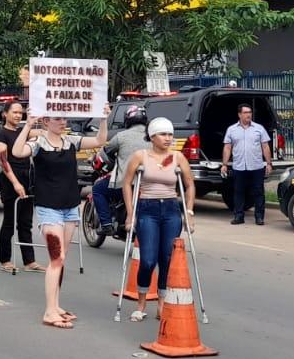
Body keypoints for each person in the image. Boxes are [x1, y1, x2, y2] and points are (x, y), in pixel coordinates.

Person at [10, 104, 110, 328]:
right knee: (56, 258)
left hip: (70, 206)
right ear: (46, 122)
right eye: (58, 119)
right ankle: (49, 311)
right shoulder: (38, 144)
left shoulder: (71, 141)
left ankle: (56, 305)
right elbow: (17, 152)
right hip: (48, 207)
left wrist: (103, 118)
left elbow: (99, 141)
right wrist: (27, 125)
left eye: (65, 118)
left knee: (62, 258)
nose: (63, 122)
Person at [121, 117, 196, 322]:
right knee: (147, 260)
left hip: (171, 210)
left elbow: (189, 185)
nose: (168, 138)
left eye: (170, 134)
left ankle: (162, 304)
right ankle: (141, 304)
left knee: (167, 259)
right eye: (163, 134)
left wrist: (188, 213)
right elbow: (127, 183)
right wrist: (130, 213)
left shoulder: (178, 157)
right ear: (152, 136)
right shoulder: (140, 156)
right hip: (147, 209)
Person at [0, 101, 42, 274]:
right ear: (5, 114)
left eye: (20, 112)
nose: (18, 115)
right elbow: (3, 161)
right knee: (9, 222)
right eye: (14, 112)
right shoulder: (1, 134)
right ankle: (5, 259)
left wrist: (42, 117)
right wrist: (15, 183)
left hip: (27, 178)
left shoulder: (23, 131)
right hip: (10, 179)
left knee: (26, 222)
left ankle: (29, 261)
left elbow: (44, 132)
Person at [95, 104, 151, 237]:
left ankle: (106, 224)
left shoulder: (121, 136)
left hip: (126, 184)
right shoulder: (153, 136)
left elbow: (106, 152)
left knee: (98, 189)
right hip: (149, 185)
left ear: (127, 119)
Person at [221, 104, 273, 225]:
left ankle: (259, 217)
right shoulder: (232, 129)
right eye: (245, 112)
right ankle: (239, 216)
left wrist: (269, 163)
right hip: (239, 167)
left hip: (256, 166)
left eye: (249, 112)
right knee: (239, 192)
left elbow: (265, 146)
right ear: (239, 114)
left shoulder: (259, 128)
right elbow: (227, 147)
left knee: (258, 192)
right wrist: (224, 164)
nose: (248, 114)